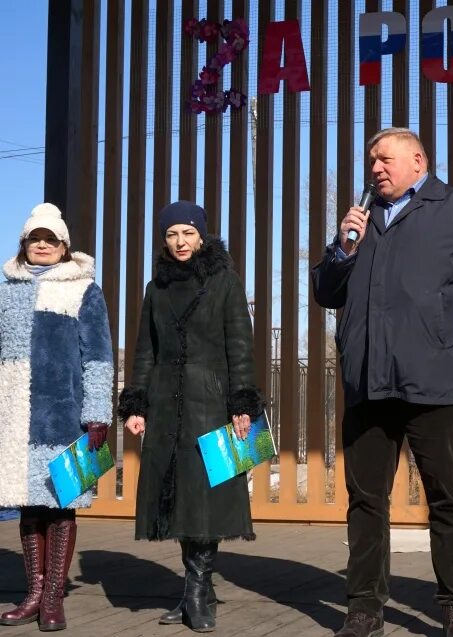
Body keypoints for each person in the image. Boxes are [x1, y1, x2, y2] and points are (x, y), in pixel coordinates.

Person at [312, 127, 453, 637]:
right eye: (371, 160)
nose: (375, 168)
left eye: (385, 158)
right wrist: (341, 248)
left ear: (418, 160)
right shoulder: (361, 221)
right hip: (367, 385)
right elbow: (326, 293)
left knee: (447, 497)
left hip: (434, 381)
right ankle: (363, 608)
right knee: (366, 501)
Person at [118, 201, 265, 633]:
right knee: (177, 494)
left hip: (213, 399)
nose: (180, 242)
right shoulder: (155, 287)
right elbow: (146, 350)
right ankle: (192, 588)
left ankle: (199, 590)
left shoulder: (225, 281)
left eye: (187, 233)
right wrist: (137, 403)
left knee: (207, 495)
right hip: (166, 402)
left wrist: (242, 403)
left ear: (202, 235)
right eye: (171, 235)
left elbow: (240, 343)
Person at [0, 203, 113, 632]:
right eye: (35, 238)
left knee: (62, 507)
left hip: (63, 415)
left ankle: (53, 599)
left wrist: (98, 414)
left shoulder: (84, 289)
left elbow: (98, 358)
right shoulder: (6, 290)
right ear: (24, 244)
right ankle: (31, 594)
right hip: (14, 419)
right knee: (29, 507)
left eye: (51, 239)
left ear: (64, 247)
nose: (42, 245)